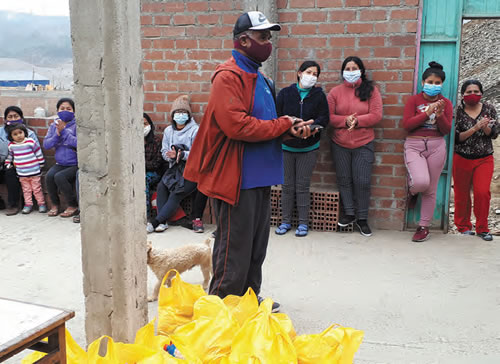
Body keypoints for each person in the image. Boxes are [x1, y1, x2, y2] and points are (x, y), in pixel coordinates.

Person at [184, 11, 314, 311]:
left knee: (256, 247)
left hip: (261, 175)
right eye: (263, 37)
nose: (268, 43)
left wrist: (290, 129)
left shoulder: (261, 78)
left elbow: (267, 125)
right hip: (236, 179)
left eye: (269, 36)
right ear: (243, 40)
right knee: (233, 249)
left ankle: (248, 300)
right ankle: (221, 307)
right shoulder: (228, 77)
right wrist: (282, 124)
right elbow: (237, 126)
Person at [327, 56, 383, 237]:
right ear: (342, 72)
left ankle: (362, 218)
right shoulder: (335, 92)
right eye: (348, 69)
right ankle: (349, 213)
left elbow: (376, 115)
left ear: (362, 71)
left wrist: (357, 121)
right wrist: (346, 120)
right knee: (344, 179)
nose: (351, 72)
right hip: (339, 143)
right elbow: (329, 117)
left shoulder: (371, 90)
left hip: (363, 142)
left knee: (362, 181)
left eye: (354, 68)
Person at [275, 60, 329, 237]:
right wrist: (288, 127)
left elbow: (324, 118)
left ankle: (303, 224)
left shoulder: (319, 96)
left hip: (309, 148)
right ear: (299, 73)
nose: (311, 77)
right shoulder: (285, 93)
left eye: (315, 74)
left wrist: (313, 126)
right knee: (287, 186)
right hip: (286, 147)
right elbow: (276, 118)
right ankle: (285, 221)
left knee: (302, 186)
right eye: (308, 72)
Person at [403, 61, 452, 242]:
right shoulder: (413, 100)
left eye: (437, 83)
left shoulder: (446, 103)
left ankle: (423, 227)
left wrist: (439, 115)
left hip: (436, 146)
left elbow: (446, 131)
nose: (433, 85)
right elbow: (407, 125)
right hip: (415, 145)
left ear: (442, 84)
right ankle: (413, 190)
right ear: (423, 83)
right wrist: (426, 112)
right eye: (430, 82)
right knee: (421, 182)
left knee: (431, 189)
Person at [146, 95, 200, 233]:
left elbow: (197, 153)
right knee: (162, 187)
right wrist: (169, 156)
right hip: (174, 170)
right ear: (172, 115)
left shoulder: (195, 130)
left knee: (177, 192)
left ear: (188, 115)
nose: (180, 115)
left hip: (190, 170)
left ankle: (156, 221)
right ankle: (162, 222)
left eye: (183, 113)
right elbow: (164, 150)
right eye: (177, 113)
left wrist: (181, 155)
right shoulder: (168, 131)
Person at [453, 80, 498, 241]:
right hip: (461, 157)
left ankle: (482, 228)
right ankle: (463, 226)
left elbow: (493, 134)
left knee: (482, 192)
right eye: (469, 92)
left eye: (476, 91)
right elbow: (457, 138)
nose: (473, 94)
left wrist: (485, 127)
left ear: (482, 93)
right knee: (461, 194)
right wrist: (475, 128)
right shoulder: (457, 111)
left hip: (484, 158)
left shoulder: (489, 109)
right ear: (463, 94)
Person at [0, 106, 42, 215]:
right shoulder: (0, 132)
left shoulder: (29, 134)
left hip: (22, 165)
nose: (13, 119)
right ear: (5, 120)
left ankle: (13, 205)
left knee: (10, 173)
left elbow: (36, 151)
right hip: (3, 161)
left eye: (16, 116)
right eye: (10, 117)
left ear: (21, 118)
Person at [43, 98, 79, 217]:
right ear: (57, 110)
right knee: (49, 176)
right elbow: (47, 144)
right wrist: (56, 135)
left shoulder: (77, 125)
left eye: (68, 109)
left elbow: (77, 143)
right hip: (60, 163)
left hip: (74, 164)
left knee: (60, 177)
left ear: (74, 111)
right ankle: (55, 204)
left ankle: (72, 205)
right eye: (62, 108)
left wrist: (64, 132)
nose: (65, 111)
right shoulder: (54, 125)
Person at [4, 123, 47, 214]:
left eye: (20, 132)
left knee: (37, 189)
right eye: (15, 134)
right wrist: (7, 163)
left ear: (25, 133)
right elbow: (10, 156)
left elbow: (38, 153)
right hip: (22, 173)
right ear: (11, 137)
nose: (19, 135)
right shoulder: (11, 146)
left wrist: (41, 163)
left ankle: (41, 204)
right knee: (26, 190)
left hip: (34, 172)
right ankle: (28, 205)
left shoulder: (30, 142)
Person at [143, 112, 165, 219]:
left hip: (153, 174)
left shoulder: (156, 141)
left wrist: (141, 165)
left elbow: (156, 163)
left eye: (145, 124)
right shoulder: (131, 142)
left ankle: (145, 216)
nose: (142, 127)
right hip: (136, 173)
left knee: (143, 180)